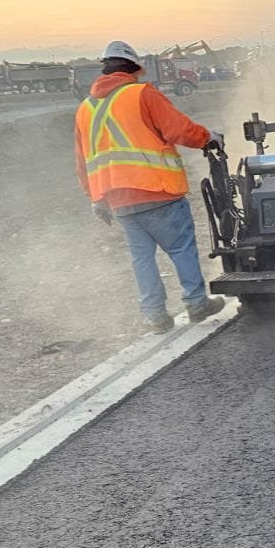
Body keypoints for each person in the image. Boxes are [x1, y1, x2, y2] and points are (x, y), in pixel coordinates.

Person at [75, 41, 226, 333]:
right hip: (157, 191)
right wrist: (209, 137)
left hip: (118, 201)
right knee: (181, 247)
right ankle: (196, 302)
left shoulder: (85, 109)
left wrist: (95, 198)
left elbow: (82, 161)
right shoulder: (141, 94)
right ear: (133, 68)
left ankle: (155, 316)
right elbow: (178, 129)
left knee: (141, 257)